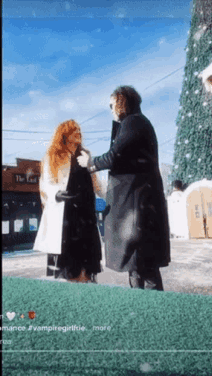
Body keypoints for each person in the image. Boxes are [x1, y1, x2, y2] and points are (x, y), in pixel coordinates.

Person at [77, 86, 170, 290]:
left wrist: (90, 164)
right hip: (140, 205)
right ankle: (143, 313)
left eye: (112, 105)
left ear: (121, 102)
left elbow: (114, 156)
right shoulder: (138, 123)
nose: (111, 110)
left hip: (138, 208)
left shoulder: (133, 122)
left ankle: (156, 314)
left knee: (144, 266)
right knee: (138, 266)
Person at [33, 119, 103, 283]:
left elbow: (96, 182)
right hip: (66, 215)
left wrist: (112, 197)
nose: (78, 133)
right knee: (69, 265)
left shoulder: (85, 154)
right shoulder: (53, 156)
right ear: (64, 134)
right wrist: (56, 194)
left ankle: (86, 289)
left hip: (86, 215)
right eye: (74, 130)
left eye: (79, 130)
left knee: (87, 263)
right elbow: (45, 183)